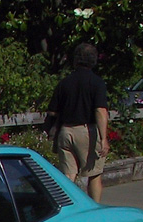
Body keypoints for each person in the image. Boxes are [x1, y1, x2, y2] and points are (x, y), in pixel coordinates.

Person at [46, 43, 109, 202]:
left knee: (68, 175)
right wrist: (103, 138)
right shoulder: (97, 83)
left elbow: (52, 112)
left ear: (75, 60)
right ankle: (94, 208)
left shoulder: (64, 83)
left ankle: (68, 206)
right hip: (87, 132)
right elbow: (100, 111)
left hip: (66, 131)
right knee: (94, 174)